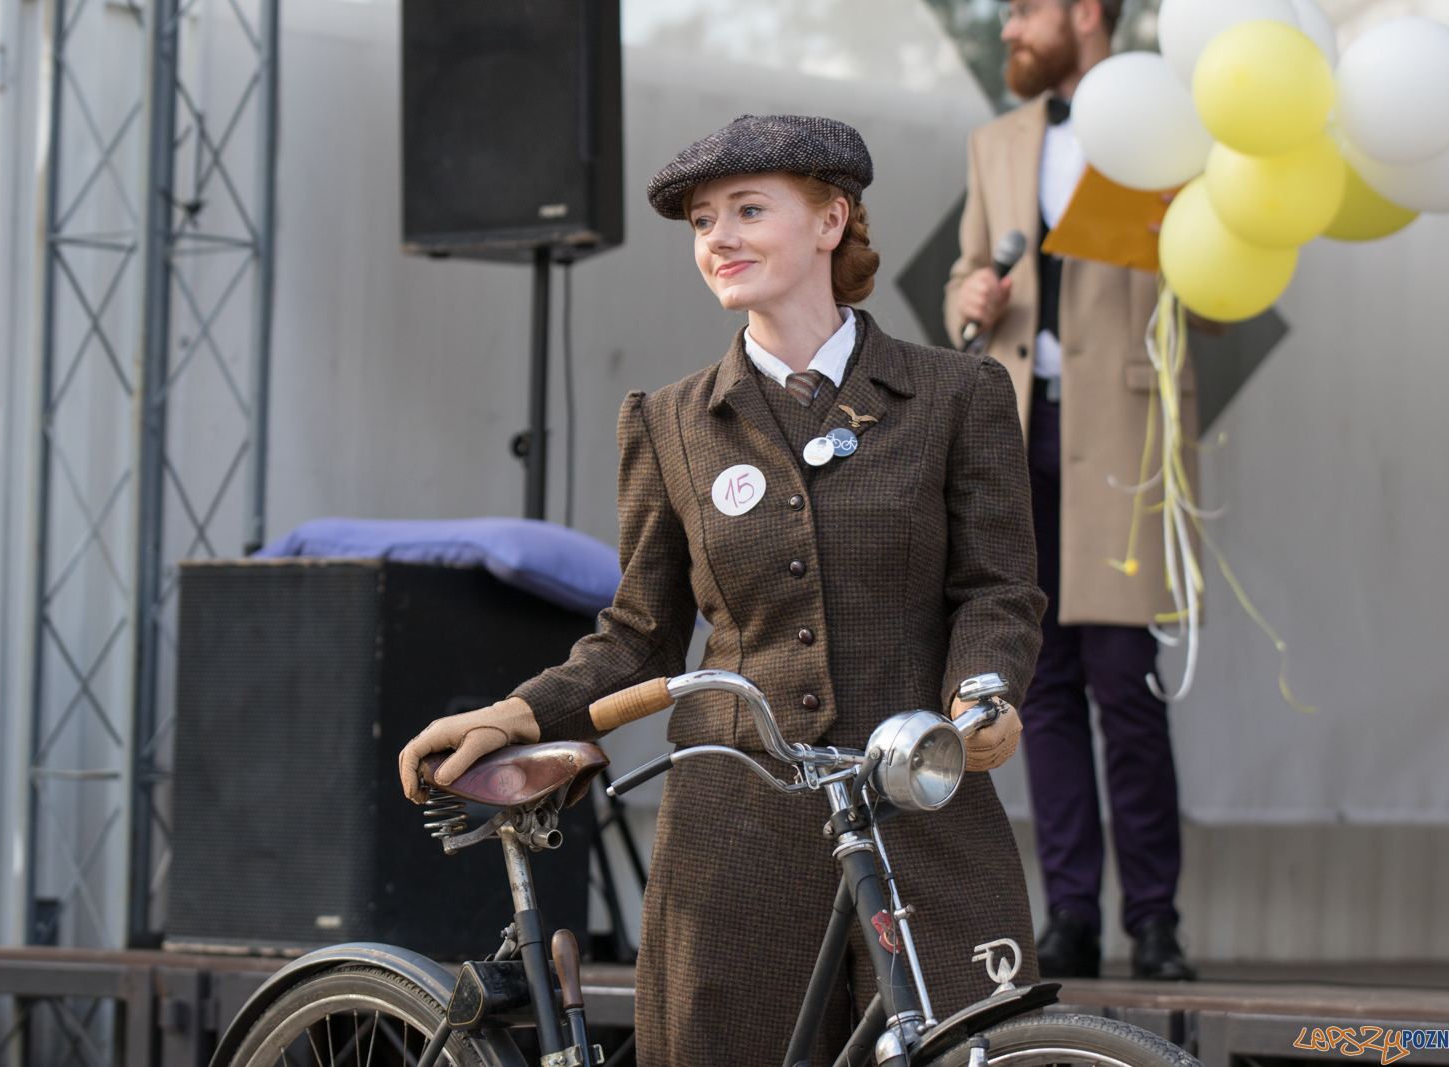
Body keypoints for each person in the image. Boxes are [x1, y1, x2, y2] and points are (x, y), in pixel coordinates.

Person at [400, 115, 1048, 1065]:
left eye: (749, 210)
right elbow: (637, 634)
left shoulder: (958, 395)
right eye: (704, 221)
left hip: (919, 805)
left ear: (832, 221)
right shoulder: (668, 422)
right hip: (738, 828)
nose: (720, 239)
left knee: (975, 1046)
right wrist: (518, 713)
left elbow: (997, 589)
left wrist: (983, 691)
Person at [943, 0, 1198, 981]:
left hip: (1124, 430)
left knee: (1123, 685)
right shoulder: (995, 139)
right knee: (1035, 684)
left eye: (1025, 8)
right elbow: (969, 270)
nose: (1009, 25)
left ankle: (1157, 919)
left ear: (1085, 11)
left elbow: (1217, 298)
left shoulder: (1170, 120)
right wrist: (966, 293)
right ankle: (1072, 917)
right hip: (1013, 428)